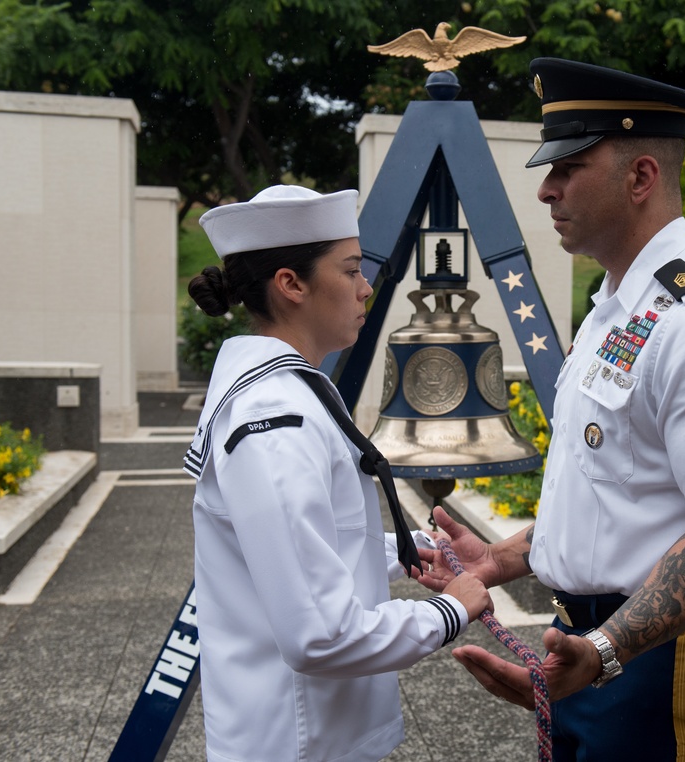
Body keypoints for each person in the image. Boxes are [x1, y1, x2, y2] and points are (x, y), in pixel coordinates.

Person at [416, 58, 685, 760]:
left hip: (673, 658)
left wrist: (605, 650)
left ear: (641, 177)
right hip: (609, 652)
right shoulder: (616, 309)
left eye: (568, 168)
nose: (545, 189)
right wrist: (499, 559)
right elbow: (620, 491)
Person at [183, 184, 491, 762]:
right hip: (298, 740)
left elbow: (304, 557)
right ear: (291, 284)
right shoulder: (275, 417)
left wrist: (411, 550)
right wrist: (450, 611)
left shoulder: (287, 394)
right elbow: (318, 633)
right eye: (349, 270)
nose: (365, 287)